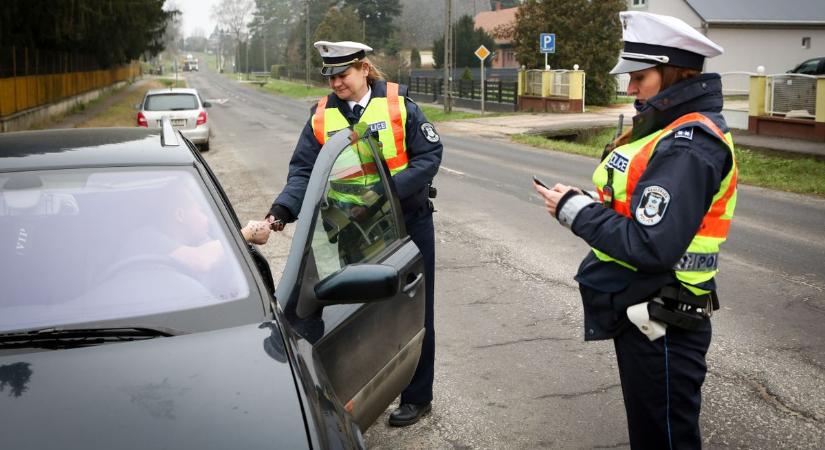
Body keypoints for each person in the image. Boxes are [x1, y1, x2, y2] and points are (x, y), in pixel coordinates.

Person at [533, 11, 737, 449]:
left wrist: (575, 210)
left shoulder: (689, 144)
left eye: (640, 77)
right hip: (649, 307)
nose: (630, 89)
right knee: (652, 432)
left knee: (663, 438)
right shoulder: (664, 130)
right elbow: (639, 210)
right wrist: (587, 201)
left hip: (665, 316)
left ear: (674, 74)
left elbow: (650, 243)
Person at [265, 40, 442, 426]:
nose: (336, 84)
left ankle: (417, 397)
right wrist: (279, 213)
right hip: (352, 231)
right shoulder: (320, 117)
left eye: (343, 75)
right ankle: (363, 390)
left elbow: (430, 156)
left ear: (364, 68)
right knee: (359, 313)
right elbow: (302, 173)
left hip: (406, 225)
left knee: (417, 308)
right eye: (329, 77)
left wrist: (387, 192)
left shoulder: (399, 105)